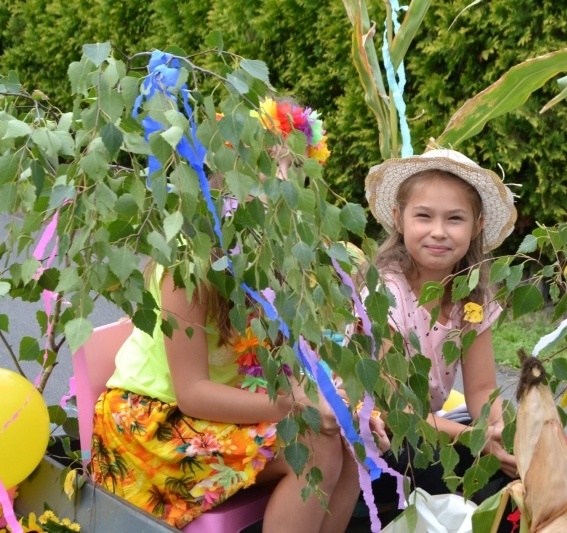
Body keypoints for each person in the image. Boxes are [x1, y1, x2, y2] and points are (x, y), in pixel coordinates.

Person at [89, 98, 383, 533]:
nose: (281, 178)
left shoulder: (282, 256)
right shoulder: (192, 264)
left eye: (293, 167)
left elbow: (292, 360)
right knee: (313, 444)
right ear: (224, 171)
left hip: (225, 409)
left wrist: (340, 405)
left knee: (349, 438)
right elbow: (192, 394)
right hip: (154, 422)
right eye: (266, 162)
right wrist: (296, 405)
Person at [359, 148, 519, 524]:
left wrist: (500, 433)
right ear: (399, 219)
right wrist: (476, 440)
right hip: (377, 433)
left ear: (477, 226)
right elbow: (397, 411)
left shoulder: (472, 298)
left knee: (519, 467)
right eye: (424, 216)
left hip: (429, 428)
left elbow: (482, 389)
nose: (438, 231)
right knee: (453, 472)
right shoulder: (385, 294)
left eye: (455, 218)